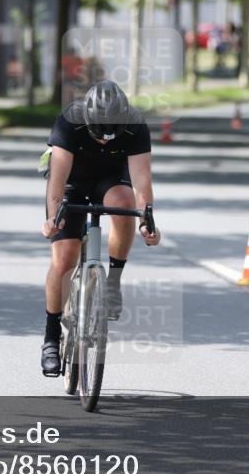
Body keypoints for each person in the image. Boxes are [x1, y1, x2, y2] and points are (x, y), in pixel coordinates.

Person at [40, 80, 161, 376]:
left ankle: (113, 281)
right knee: (65, 257)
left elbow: (142, 182)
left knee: (124, 205)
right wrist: (53, 219)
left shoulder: (135, 126)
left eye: (112, 134)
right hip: (72, 180)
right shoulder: (70, 121)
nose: (106, 140)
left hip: (110, 179)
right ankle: (51, 337)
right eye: (99, 134)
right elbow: (57, 181)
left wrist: (147, 221)